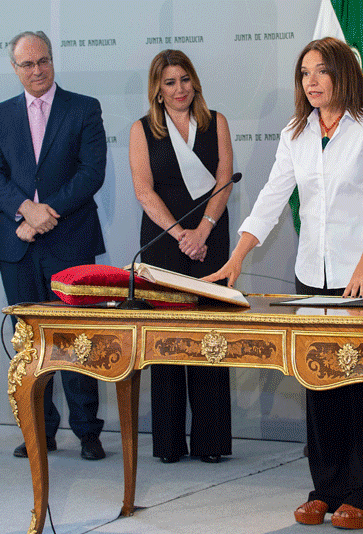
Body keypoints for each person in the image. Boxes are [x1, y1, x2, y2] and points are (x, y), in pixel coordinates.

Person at [205, 37, 363, 529]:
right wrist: (237, 257)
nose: (310, 82)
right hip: (311, 280)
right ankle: (326, 488)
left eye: (320, 71)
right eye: (303, 74)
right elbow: (271, 200)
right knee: (320, 384)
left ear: (342, 75)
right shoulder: (295, 133)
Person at [0, 31, 107, 460]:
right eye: (27, 64)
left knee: (75, 341)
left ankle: (88, 430)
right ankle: (40, 428)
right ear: (15, 69)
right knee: (30, 344)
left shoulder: (84, 108)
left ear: (53, 61)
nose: (37, 71)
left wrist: (45, 213)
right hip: (17, 246)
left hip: (69, 241)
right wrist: (24, 211)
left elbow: (92, 173)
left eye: (43, 61)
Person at [129, 50, 234, 464]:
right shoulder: (142, 130)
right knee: (168, 338)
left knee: (209, 337)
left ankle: (211, 442)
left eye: (185, 80)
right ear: (157, 88)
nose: (179, 89)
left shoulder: (216, 122)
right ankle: (169, 443)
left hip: (211, 236)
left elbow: (224, 180)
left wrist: (203, 230)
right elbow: (143, 190)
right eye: (170, 82)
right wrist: (180, 236)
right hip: (163, 240)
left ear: (195, 82)